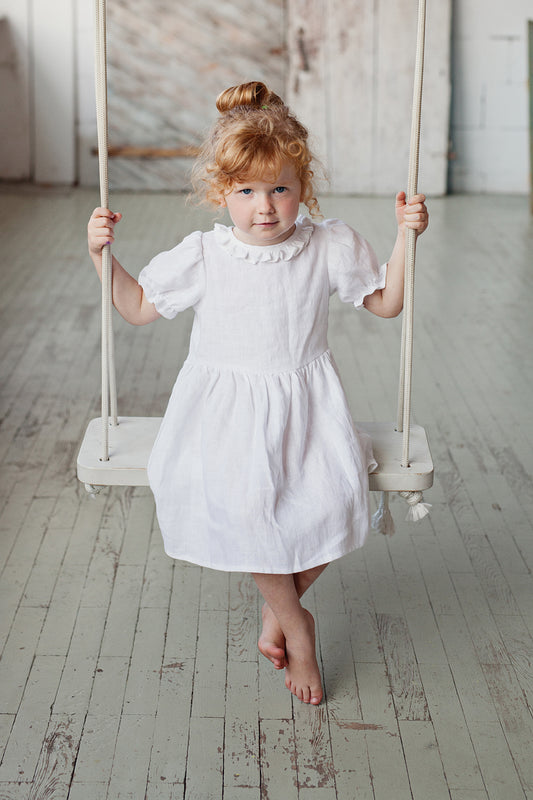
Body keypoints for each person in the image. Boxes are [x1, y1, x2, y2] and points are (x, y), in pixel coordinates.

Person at [88, 81, 429, 706]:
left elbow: (386, 302)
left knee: (337, 500)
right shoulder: (205, 255)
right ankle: (296, 623)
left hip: (305, 406)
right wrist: (101, 255)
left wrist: (408, 237)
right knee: (246, 508)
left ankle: (280, 605)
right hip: (224, 412)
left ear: (304, 188)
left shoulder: (327, 244)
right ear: (222, 192)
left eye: (279, 188)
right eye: (245, 190)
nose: (264, 207)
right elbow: (136, 306)